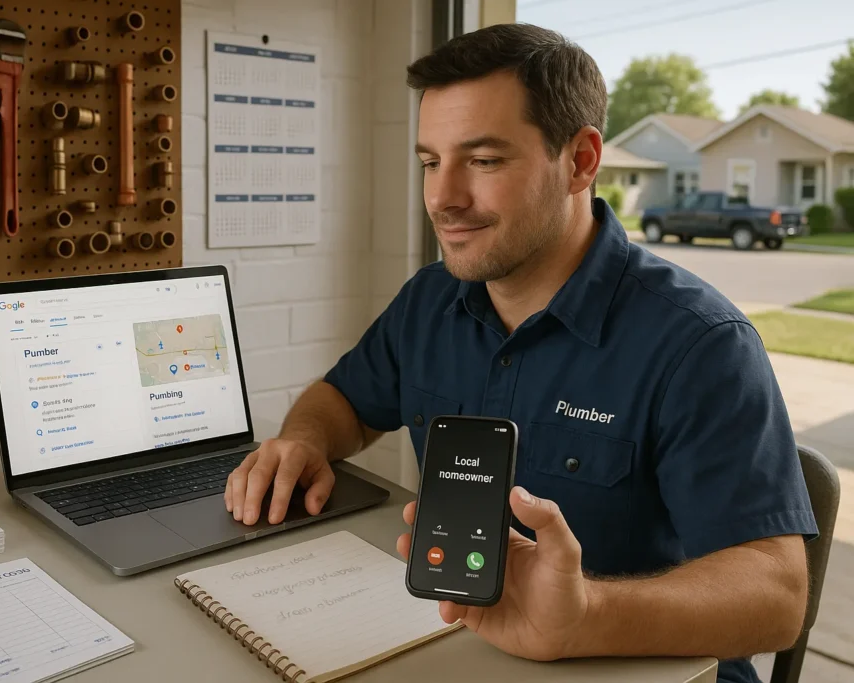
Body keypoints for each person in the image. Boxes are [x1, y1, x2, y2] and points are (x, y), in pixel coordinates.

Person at [224, 22, 817, 683]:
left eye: (483, 161)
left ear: (581, 161)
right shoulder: (430, 300)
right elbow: (343, 400)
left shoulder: (700, 344)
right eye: (430, 162)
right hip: (461, 650)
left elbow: (776, 596)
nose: (442, 198)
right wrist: (303, 440)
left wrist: (586, 615)